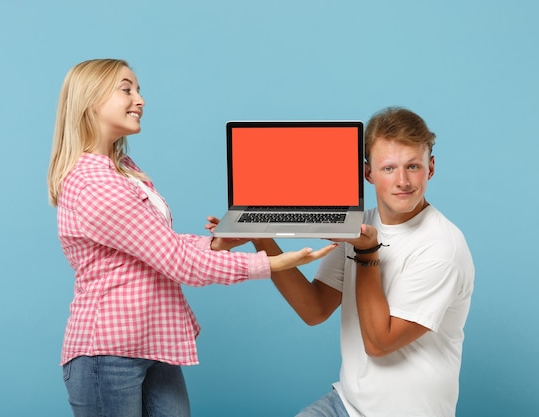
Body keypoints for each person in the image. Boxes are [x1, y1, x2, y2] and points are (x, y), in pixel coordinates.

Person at [47, 58, 337, 417]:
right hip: (108, 351)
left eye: (138, 90)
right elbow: (178, 263)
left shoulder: (126, 172)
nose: (140, 100)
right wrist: (272, 263)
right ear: (90, 100)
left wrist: (216, 244)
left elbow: (157, 246)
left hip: (152, 341)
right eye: (127, 89)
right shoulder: (95, 184)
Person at [208, 107, 474, 416]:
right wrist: (259, 235)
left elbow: (379, 342)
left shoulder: (442, 247)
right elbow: (314, 309)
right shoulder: (359, 226)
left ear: (430, 168)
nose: (402, 181)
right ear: (368, 173)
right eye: (388, 168)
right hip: (347, 404)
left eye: (412, 166)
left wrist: (366, 253)